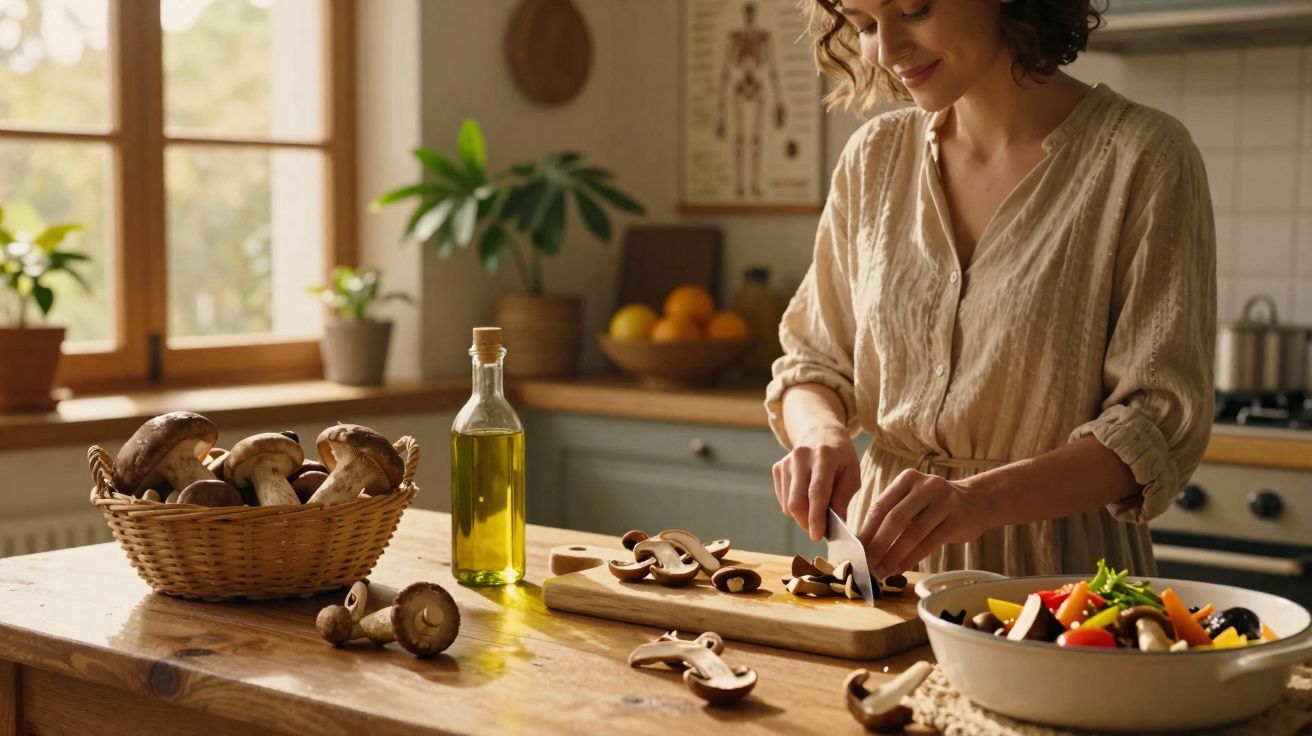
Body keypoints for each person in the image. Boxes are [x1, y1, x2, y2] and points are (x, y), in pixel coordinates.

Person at [766, 0, 1216, 579]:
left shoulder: (1144, 157)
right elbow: (812, 363)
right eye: (866, 25)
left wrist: (980, 501)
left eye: (914, 9)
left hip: (1055, 580)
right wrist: (821, 432)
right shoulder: (873, 158)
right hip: (882, 570)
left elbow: (1155, 421)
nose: (887, 49)